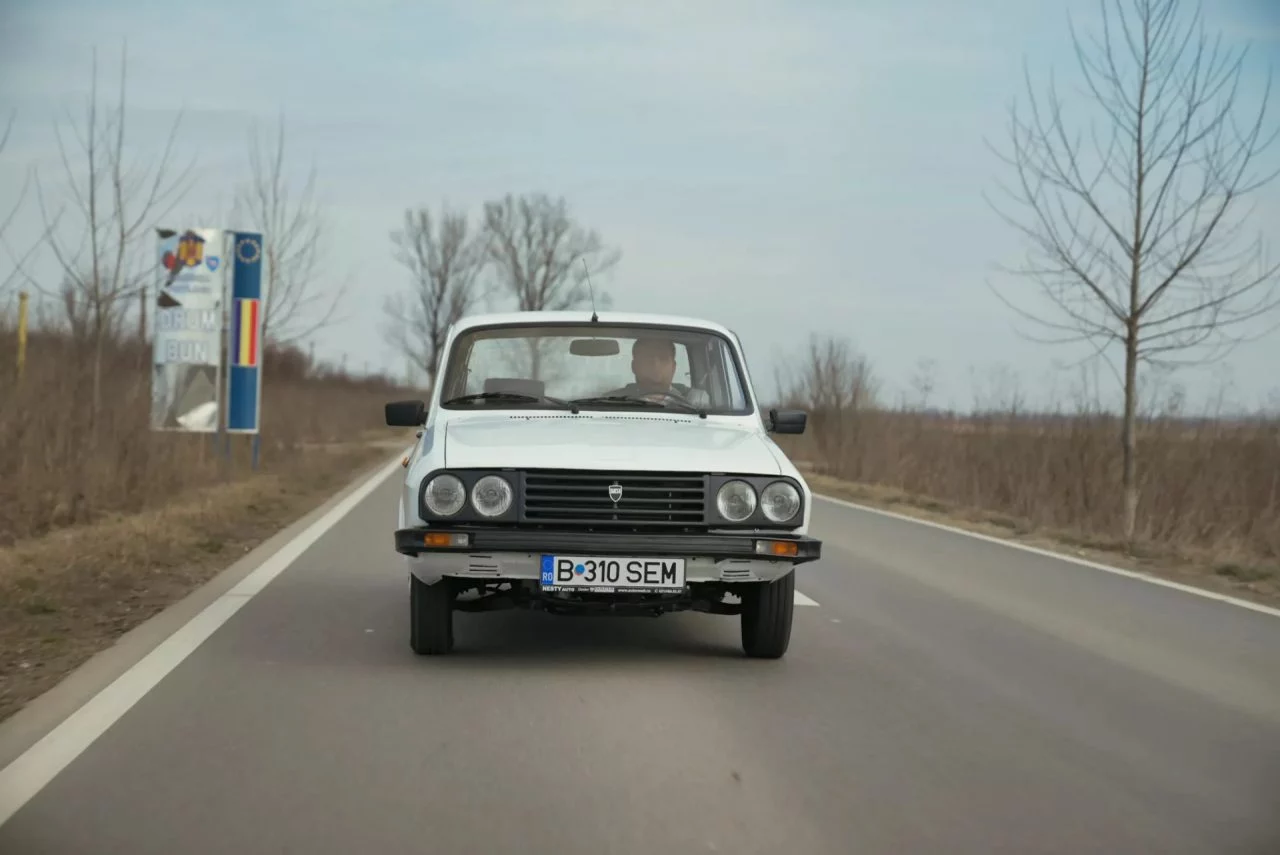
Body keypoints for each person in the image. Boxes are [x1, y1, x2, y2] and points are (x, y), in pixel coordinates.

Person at [607, 336, 709, 405]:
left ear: (673, 367)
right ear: (634, 366)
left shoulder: (695, 403)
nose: (655, 365)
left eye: (663, 358)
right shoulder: (610, 402)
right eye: (648, 358)